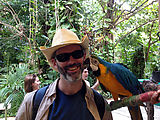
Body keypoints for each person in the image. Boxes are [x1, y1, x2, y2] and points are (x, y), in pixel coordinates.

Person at [16, 29, 160, 120]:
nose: (71, 61)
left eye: (76, 54)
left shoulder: (99, 103)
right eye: (63, 57)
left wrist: (147, 96)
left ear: (84, 57)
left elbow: (133, 94)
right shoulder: (33, 102)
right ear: (54, 63)